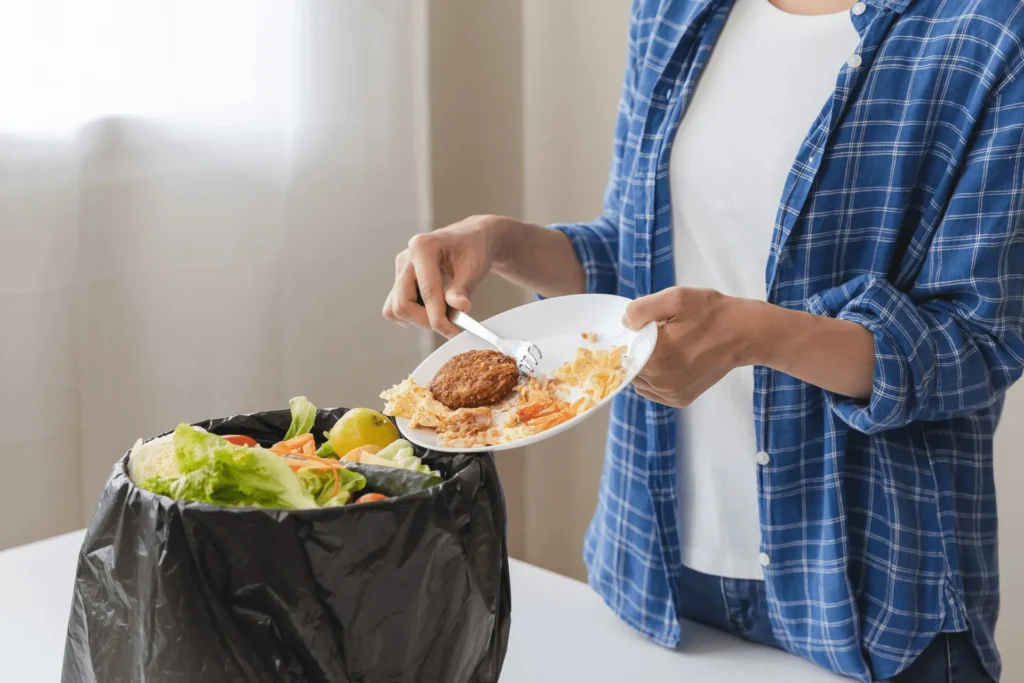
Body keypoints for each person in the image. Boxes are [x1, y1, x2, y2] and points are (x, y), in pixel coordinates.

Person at [383, 0, 1024, 680]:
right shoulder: (672, 10)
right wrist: (502, 240)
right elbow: (639, 256)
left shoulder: (991, 30)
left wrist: (758, 333)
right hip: (660, 574)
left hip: (871, 593)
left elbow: (977, 342)